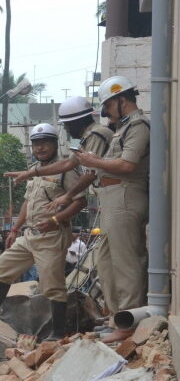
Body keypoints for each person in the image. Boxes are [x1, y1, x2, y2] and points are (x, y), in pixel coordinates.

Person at [0, 124, 87, 341]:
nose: (40, 148)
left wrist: (56, 219)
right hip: (29, 235)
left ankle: (58, 332)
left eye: (45, 143)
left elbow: (80, 201)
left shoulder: (65, 170)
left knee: (52, 285)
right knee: (4, 264)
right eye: (36, 144)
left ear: (55, 144)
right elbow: (27, 203)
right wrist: (15, 229)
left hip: (52, 236)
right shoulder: (34, 170)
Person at [72, 75, 150, 342]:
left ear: (121, 100)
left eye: (107, 105)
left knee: (126, 263)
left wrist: (94, 161)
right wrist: (94, 161)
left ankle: (129, 323)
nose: (105, 112)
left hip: (126, 196)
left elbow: (128, 164)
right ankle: (118, 317)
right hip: (112, 198)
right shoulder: (123, 127)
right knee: (106, 263)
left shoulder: (138, 125)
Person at [4, 96, 114, 210]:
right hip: (108, 193)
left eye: (66, 124)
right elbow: (68, 163)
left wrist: (67, 196)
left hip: (116, 190)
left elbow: (90, 174)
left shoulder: (96, 135)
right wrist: (30, 173)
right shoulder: (89, 137)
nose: (66, 129)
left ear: (76, 122)